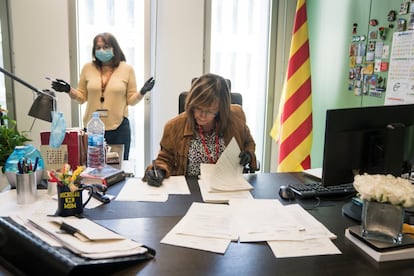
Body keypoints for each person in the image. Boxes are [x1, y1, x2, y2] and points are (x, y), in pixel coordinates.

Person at [51, 32, 154, 160]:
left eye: (105, 47)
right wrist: (68, 89)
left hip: (119, 128)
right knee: (92, 169)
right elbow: (81, 97)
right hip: (92, 129)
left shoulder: (126, 69)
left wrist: (142, 92)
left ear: (114, 48)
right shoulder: (88, 68)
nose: (101, 50)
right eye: (98, 48)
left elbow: (131, 101)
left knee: (118, 169)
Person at [144, 73, 257, 187]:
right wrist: (159, 171)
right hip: (191, 190)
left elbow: (248, 142)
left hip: (227, 187)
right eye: (198, 108)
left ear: (220, 110)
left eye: (209, 111)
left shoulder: (235, 118)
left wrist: (248, 153)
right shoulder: (174, 126)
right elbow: (165, 159)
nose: (202, 115)